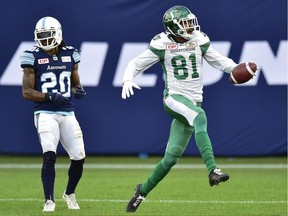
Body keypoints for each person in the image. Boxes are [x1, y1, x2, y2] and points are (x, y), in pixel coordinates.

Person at [122, 5, 239, 213]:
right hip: (174, 99)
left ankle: (141, 191)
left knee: (171, 157)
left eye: (190, 21)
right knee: (200, 117)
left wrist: (238, 68)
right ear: (173, 27)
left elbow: (221, 62)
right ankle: (213, 170)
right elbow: (136, 63)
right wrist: (127, 78)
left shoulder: (199, 39)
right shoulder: (162, 44)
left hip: (193, 102)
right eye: (185, 23)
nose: (190, 26)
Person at [21, 16, 86, 212]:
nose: (45, 40)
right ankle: (49, 200)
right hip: (45, 112)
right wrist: (49, 97)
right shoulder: (31, 56)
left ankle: (69, 193)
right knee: (49, 154)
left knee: (79, 156)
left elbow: (75, 84)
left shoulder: (71, 54)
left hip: (67, 111)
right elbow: (26, 92)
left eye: (48, 35)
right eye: (41, 36)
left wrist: (78, 90)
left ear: (57, 34)